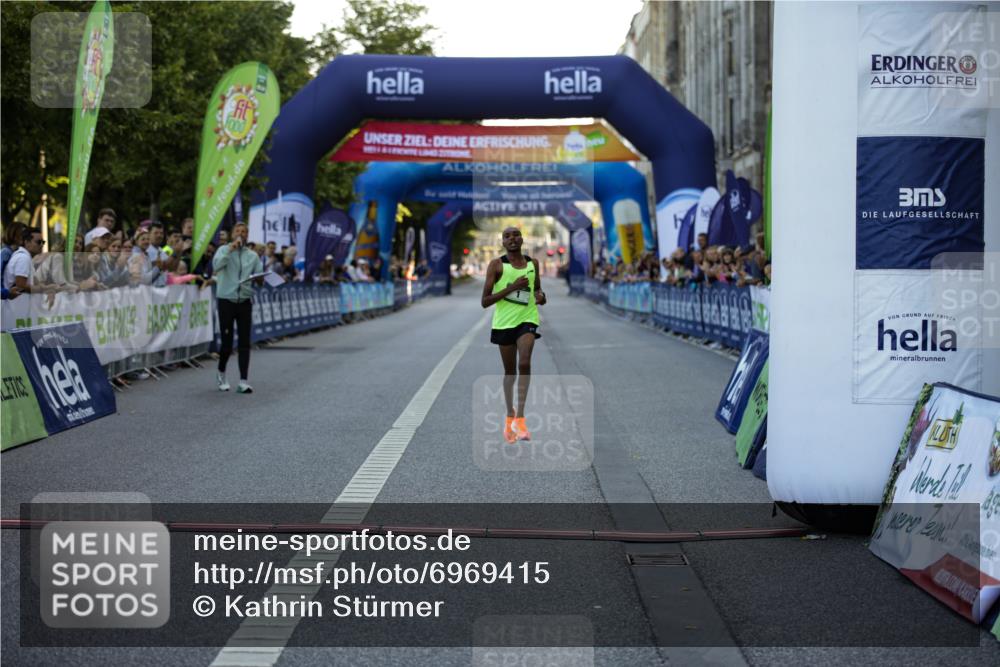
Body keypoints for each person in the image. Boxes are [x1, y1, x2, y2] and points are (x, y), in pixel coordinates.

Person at [481, 226, 546, 443]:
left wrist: (541, 296)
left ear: (522, 239)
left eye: (516, 234)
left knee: (525, 362)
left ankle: (521, 417)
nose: (512, 239)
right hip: (504, 323)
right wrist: (511, 288)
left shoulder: (533, 263)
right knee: (510, 373)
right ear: (503, 242)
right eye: (507, 236)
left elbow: (537, 289)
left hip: (527, 319)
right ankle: (510, 414)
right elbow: (485, 301)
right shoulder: (496, 265)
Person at [212, 222, 263, 393]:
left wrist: (261, 279)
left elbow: (259, 275)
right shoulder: (223, 250)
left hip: (245, 301)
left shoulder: (253, 256)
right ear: (232, 234)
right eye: (238, 231)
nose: (241, 233)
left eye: (244, 231)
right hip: (226, 299)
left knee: (244, 342)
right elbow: (216, 267)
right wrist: (230, 250)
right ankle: (221, 373)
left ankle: (243, 380)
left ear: (248, 235)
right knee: (227, 344)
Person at [3, 227, 43, 298]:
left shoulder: (24, 256)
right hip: (17, 307)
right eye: (38, 242)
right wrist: (42, 289)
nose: (41, 245)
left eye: (43, 242)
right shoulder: (23, 258)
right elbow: (20, 285)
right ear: (27, 242)